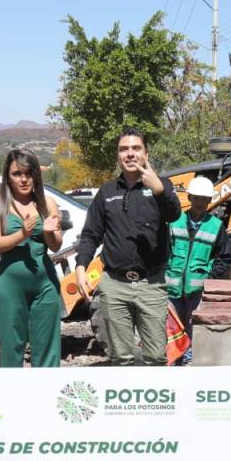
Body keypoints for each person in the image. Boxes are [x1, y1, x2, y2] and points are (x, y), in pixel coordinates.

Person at [75, 128, 182, 366]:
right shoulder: (106, 192)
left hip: (151, 284)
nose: (130, 154)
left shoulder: (161, 185)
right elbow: (91, 234)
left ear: (145, 153)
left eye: (136, 148)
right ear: (118, 155)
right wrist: (81, 267)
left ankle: (151, 403)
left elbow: (174, 214)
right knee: (120, 357)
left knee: (156, 356)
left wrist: (158, 190)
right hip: (114, 286)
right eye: (124, 149)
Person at [0, 149, 63, 368]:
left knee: (48, 349)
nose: (24, 179)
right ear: (7, 176)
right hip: (10, 285)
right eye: (17, 173)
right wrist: (22, 234)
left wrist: (48, 232)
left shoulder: (48, 203)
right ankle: (12, 399)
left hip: (45, 284)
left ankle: (46, 396)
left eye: (29, 173)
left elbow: (56, 245)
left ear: (36, 174)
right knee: (11, 349)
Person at [165, 176, 231, 366]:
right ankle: (173, 360)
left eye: (204, 199)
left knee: (193, 327)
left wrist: (209, 277)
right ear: (189, 198)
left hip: (197, 290)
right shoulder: (174, 221)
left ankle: (188, 360)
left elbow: (224, 257)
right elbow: (164, 251)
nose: (200, 203)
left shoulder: (216, 226)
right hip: (172, 287)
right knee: (172, 328)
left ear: (210, 201)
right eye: (197, 198)